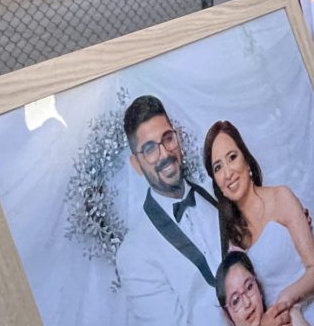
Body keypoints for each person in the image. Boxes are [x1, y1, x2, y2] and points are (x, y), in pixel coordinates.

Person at [116, 96, 291, 326]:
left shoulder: (218, 192)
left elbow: (259, 233)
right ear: (136, 164)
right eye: (149, 149)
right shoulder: (133, 254)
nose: (165, 154)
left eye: (168, 138)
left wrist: (288, 221)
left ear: (177, 138)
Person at [203, 121, 314, 325]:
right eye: (218, 167)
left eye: (232, 157)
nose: (228, 173)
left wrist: (285, 302)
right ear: (217, 183)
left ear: (246, 160)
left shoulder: (281, 198)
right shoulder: (233, 238)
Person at [216, 251, 309, 326]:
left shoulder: (284, 316)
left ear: (259, 288)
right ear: (228, 315)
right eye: (236, 301)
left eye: (249, 287)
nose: (247, 303)